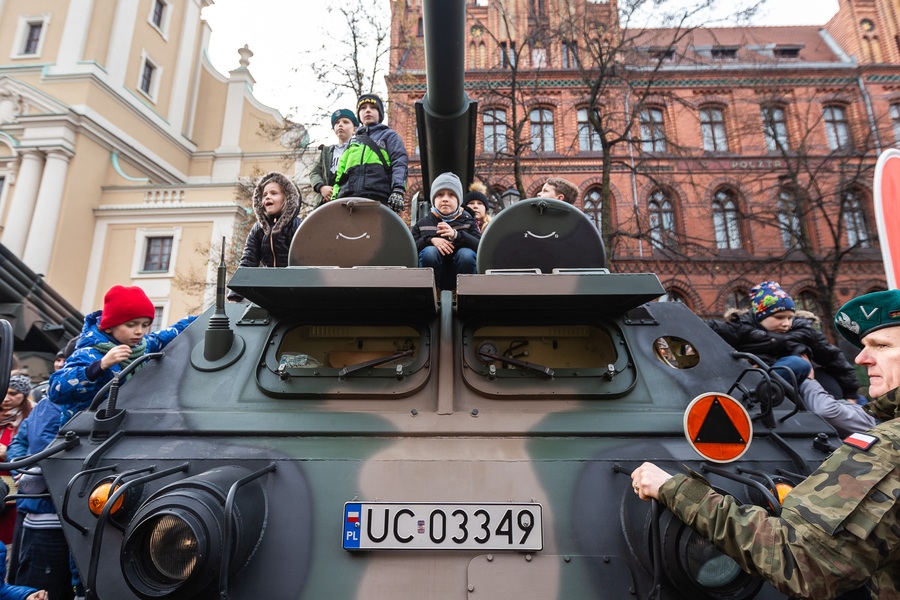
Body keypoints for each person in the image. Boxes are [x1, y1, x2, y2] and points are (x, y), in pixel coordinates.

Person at [631, 288, 900, 599]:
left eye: (881, 345)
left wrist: (677, 489)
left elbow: (802, 562)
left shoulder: (887, 449)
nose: (861, 358)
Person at [49, 285, 195, 421]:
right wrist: (99, 366)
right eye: (131, 325)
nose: (139, 331)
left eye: (145, 325)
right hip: (85, 429)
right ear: (108, 327)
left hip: (125, 424)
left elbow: (170, 333)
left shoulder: (143, 346)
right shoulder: (89, 353)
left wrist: (209, 315)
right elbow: (56, 392)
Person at [706, 281, 859, 401]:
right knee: (797, 363)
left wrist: (851, 393)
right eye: (779, 318)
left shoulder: (803, 331)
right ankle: (764, 391)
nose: (786, 323)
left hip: (797, 384)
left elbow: (833, 358)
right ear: (760, 316)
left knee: (800, 366)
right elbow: (710, 326)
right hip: (753, 383)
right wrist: (692, 343)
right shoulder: (742, 329)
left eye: (790, 317)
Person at [7, 396, 72, 600]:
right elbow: (23, 444)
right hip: (45, 512)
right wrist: (28, 469)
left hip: (69, 512)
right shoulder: (51, 403)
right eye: (60, 360)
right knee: (39, 586)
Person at [331, 93, 409, 213]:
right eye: (363, 108)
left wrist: (398, 190)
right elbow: (340, 175)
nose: (367, 110)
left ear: (380, 114)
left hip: (378, 200)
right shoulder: (352, 143)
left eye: (373, 107)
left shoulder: (389, 136)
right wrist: (334, 200)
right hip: (348, 201)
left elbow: (399, 162)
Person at [773, 355, 878, 438]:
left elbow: (826, 410)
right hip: (835, 399)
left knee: (797, 364)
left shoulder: (873, 420)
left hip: (815, 399)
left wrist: (809, 381)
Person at [412, 172, 481, 289]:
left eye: (451, 195)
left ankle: (464, 293)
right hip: (434, 280)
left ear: (459, 200)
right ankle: (431, 292)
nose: (445, 199)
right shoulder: (422, 224)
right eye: (439, 194)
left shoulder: (468, 222)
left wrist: (457, 236)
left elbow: (480, 246)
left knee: (466, 255)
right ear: (433, 199)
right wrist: (430, 240)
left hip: (460, 276)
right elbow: (411, 249)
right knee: (429, 252)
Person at [235, 171, 301, 269]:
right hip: (268, 281)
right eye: (264, 195)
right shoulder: (259, 228)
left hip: (293, 281)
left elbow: (306, 258)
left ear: (287, 198)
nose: (267, 197)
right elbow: (248, 259)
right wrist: (241, 279)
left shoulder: (297, 225)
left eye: (274, 193)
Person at [0, 374, 33, 545]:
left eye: (13, 393)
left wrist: (7, 453)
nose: (6, 398)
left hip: (14, 491)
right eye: (4, 392)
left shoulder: (30, 419)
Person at [309, 108, 358, 207]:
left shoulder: (358, 150)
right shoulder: (326, 152)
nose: (340, 124)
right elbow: (314, 172)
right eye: (337, 123)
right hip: (327, 202)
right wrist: (322, 187)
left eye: (345, 122)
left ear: (354, 129)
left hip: (349, 200)